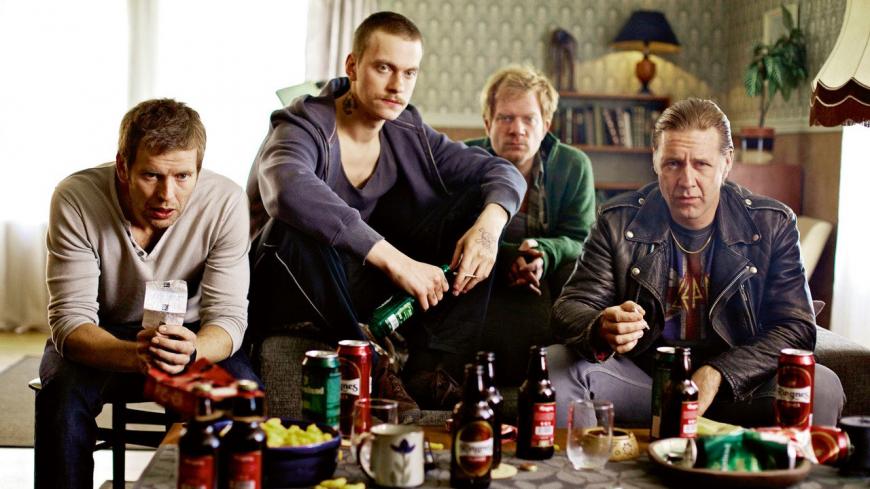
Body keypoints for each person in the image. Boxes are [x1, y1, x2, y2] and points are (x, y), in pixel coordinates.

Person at [246, 11, 526, 414]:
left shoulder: (407, 129)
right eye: (384, 68)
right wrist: (396, 261)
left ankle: (432, 371)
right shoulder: (304, 122)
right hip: (288, 279)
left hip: (355, 279)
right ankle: (371, 364)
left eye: (409, 73)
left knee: (475, 208)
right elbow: (287, 189)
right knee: (299, 226)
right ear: (352, 67)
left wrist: (488, 229)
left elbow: (501, 171)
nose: (398, 86)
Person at [548, 98, 845, 428]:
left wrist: (719, 372)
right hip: (648, 384)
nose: (686, 180)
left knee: (822, 385)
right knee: (558, 362)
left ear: (726, 162)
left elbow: (796, 327)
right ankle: (577, 463)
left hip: (737, 389)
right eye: (673, 163)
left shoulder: (772, 223)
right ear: (656, 160)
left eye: (701, 164)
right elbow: (571, 307)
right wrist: (600, 327)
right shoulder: (617, 221)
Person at [36, 99, 258, 489]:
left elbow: (228, 317)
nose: (166, 195)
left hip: (189, 337)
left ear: (199, 169)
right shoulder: (76, 198)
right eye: (151, 175)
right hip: (102, 337)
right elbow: (70, 322)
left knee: (244, 397)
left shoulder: (225, 201)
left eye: (183, 176)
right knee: (61, 400)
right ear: (123, 167)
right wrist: (137, 355)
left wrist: (192, 350)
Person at [465, 65, 596, 384]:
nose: (517, 130)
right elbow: (452, 234)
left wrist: (544, 252)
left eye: (529, 119)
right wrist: (510, 257)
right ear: (487, 123)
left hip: (546, 277)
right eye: (505, 118)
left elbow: (581, 240)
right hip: (481, 275)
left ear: (546, 125)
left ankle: (572, 374)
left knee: (575, 272)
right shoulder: (464, 159)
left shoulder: (573, 165)